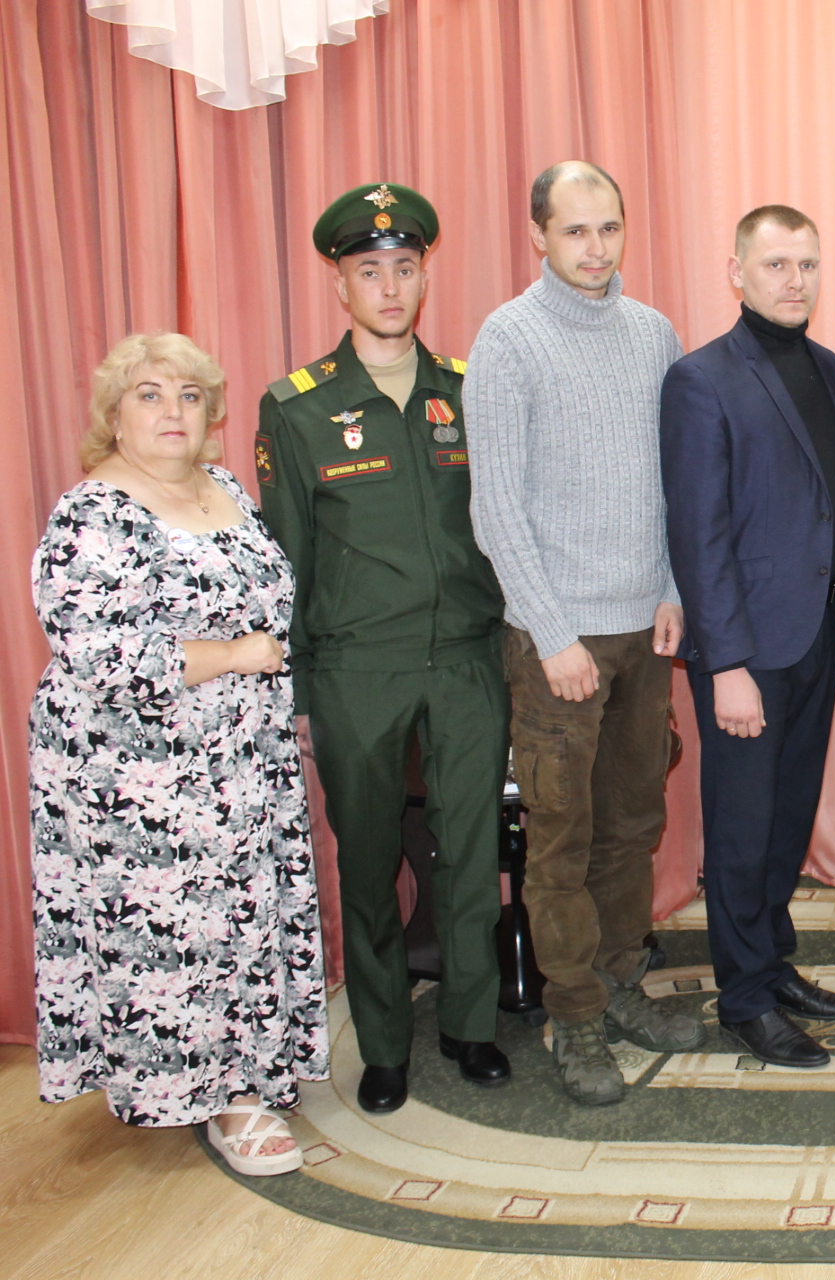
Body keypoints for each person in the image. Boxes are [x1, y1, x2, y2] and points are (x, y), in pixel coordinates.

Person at [31, 334, 327, 1177]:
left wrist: (265, 685)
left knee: (246, 912)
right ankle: (220, 1096)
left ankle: (252, 1068)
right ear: (115, 418)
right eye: (150, 395)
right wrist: (234, 657)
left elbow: (270, 604)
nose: (173, 411)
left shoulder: (226, 489)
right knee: (178, 932)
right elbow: (99, 651)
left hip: (243, 753)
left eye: (191, 396)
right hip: (139, 771)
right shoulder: (92, 513)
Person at [256, 182, 512, 1116]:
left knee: (468, 851)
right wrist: (291, 693)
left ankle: (471, 1026)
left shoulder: (467, 389)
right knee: (367, 864)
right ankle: (386, 1047)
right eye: (371, 270)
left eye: (405, 267)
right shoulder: (299, 406)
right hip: (357, 668)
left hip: (468, 661)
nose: (391, 286)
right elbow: (283, 557)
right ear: (341, 285)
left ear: (424, 274)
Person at [467, 160, 704, 1107]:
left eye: (609, 228)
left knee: (631, 826)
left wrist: (673, 587)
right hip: (553, 641)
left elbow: (673, 481)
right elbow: (496, 508)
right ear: (538, 236)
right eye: (576, 232)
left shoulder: (653, 335)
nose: (596, 249)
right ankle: (574, 1021)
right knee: (560, 841)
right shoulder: (507, 340)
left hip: (643, 631)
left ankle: (617, 983)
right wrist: (551, 630)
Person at [660, 205, 835, 1068]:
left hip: (817, 635)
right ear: (737, 271)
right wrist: (726, 665)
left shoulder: (828, 369)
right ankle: (745, 998)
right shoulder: (701, 379)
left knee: (789, 817)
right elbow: (700, 534)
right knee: (744, 827)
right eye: (777, 265)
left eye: (807, 265)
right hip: (748, 652)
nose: (795, 281)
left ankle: (774, 961)